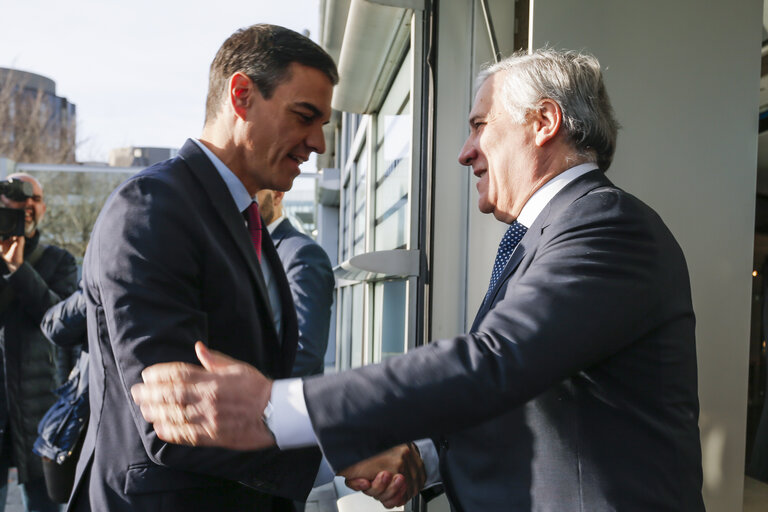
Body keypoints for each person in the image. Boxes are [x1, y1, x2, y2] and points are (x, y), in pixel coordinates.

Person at [132, 49, 705, 511]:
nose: (465, 152)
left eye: (480, 125)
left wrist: (274, 407)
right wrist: (424, 457)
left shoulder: (605, 226)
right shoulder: (554, 231)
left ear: (544, 122)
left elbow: (494, 362)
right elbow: (522, 392)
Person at [70, 24, 422, 512]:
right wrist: (341, 453)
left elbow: (265, 392)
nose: (318, 142)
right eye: (304, 116)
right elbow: (173, 420)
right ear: (241, 95)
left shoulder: (241, 221)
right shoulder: (152, 209)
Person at [0, 173, 78, 512]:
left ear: (43, 207)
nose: (27, 204)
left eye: (35, 198)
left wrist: (18, 269)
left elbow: (60, 322)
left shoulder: (59, 261)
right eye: (18, 196)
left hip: (42, 413)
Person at [256, 189, 334, 378]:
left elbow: (304, 350)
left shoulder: (303, 253)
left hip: (281, 401)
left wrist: (251, 393)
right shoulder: (246, 250)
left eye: (254, 193)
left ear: (277, 196)